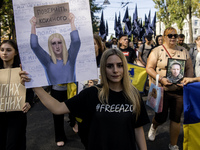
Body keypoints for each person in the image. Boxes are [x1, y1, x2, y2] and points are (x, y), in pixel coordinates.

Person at [20, 48, 149, 150]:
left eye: (119, 65)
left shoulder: (134, 95)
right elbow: (57, 108)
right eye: (110, 66)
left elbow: (138, 129)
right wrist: (35, 86)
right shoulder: (92, 94)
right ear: (103, 68)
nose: (115, 70)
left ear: (124, 68)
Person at [146, 27, 193, 150]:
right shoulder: (157, 51)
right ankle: (154, 126)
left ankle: (173, 144)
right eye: (170, 35)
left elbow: (189, 68)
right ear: (164, 36)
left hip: (179, 90)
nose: (173, 38)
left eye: (175, 36)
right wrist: (161, 79)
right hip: (162, 90)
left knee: (176, 118)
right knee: (161, 117)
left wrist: (187, 79)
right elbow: (149, 68)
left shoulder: (184, 51)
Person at [0, 40, 34, 150]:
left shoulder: (23, 70)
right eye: (2, 50)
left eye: (8, 50)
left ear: (15, 53)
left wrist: (29, 103)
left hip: (17, 114)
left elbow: (30, 91)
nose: (4, 53)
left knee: (14, 144)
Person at [30, 13, 81, 85]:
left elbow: (76, 41)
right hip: (54, 92)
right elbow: (34, 46)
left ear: (63, 44)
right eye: (53, 43)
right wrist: (33, 26)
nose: (57, 46)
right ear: (50, 46)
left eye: (59, 42)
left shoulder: (70, 58)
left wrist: (72, 22)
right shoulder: (47, 61)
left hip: (72, 92)